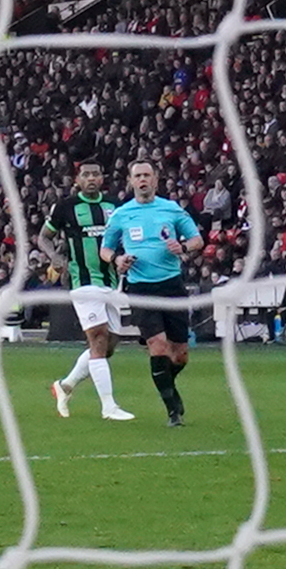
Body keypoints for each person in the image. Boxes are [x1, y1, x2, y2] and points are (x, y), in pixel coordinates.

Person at [102, 159, 203, 426]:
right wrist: (117, 260)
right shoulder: (122, 214)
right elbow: (105, 249)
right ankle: (173, 410)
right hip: (140, 288)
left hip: (171, 286)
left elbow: (197, 240)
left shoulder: (171, 209)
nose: (143, 180)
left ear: (156, 180)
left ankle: (169, 387)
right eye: (138, 176)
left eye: (147, 175)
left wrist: (183, 247)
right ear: (131, 181)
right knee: (157, 346)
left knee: (179, 354)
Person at [40, 158, 135, 420]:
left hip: (113, 282)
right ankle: (109, 406)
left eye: (96, 174)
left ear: (102, 178)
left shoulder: (115, 206)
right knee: (98, 339)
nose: (91, 178)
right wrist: (55, 258)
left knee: (109, 346)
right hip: (82, 281)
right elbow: (43, 237)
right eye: (86, 175)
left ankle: (65, 385)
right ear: (77, 180)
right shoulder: (66, 207)